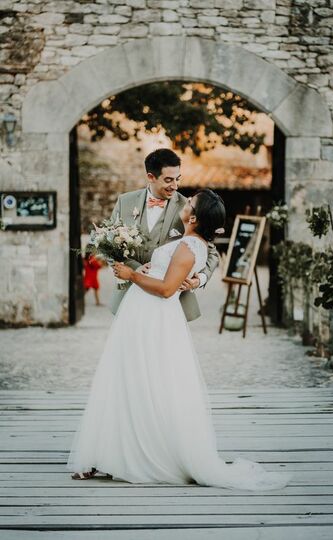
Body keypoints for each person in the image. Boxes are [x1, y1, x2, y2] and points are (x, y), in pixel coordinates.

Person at [67, 189, 290, 491]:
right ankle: (116, 453)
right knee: (133, 381)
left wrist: (131, 276)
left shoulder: (188, 246)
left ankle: (142, 454)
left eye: (191, 204)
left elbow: (167, 289)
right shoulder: (190, 241)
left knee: (144, 382)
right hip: (143, 314)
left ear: (194, 217)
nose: (184, 203)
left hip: (153, 317)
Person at [109, 148, 219, 321]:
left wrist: (200, 279)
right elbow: (109, 246)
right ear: (151, 177)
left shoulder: (188, 208)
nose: (175, 186)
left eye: (177, 179)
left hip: (170, 303)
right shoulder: (125, 202)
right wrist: (134, 268)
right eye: (168, 180)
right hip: (130, 297)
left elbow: (211, 252)